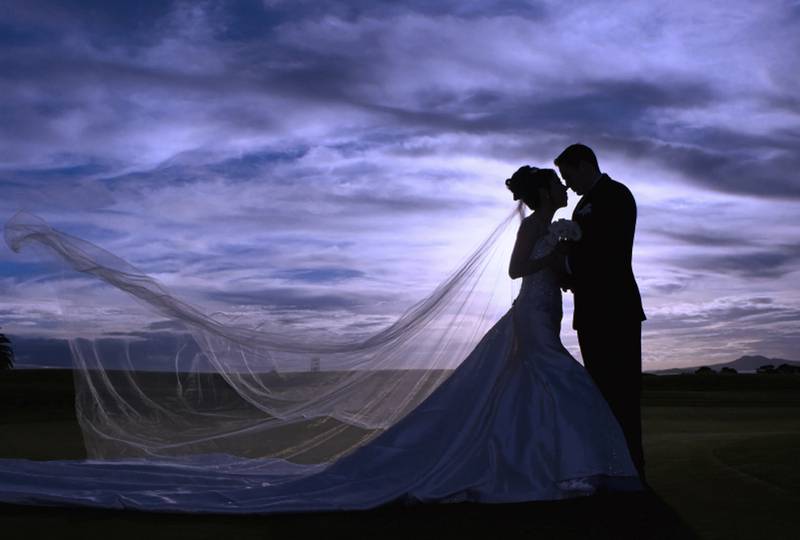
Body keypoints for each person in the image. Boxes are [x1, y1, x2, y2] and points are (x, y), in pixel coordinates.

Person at [0, 172, 642, 512]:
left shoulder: (560, 223)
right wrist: (555, 251)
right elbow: (515, 272)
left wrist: (566, 257)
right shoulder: (540, 225)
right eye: (555, 186)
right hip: (532, 313)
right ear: (540, 194)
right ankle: (572, 468)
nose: (562, 189)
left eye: (562, 184)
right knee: (556, 380)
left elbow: (563, 271)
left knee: (524, 391)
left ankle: (549, 466)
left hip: (546, 311)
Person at [553, 143, 647, 480]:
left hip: (616, 308)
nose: (567, 185)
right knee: (603, 395)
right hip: (591, 310)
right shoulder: (582, 206)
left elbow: (609, 252)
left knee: (622, 393)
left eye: (568, 176)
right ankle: (611, 468)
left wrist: (562, 263)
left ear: (583, 165)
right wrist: (566, 273)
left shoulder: (616, 196)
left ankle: (633, 472)